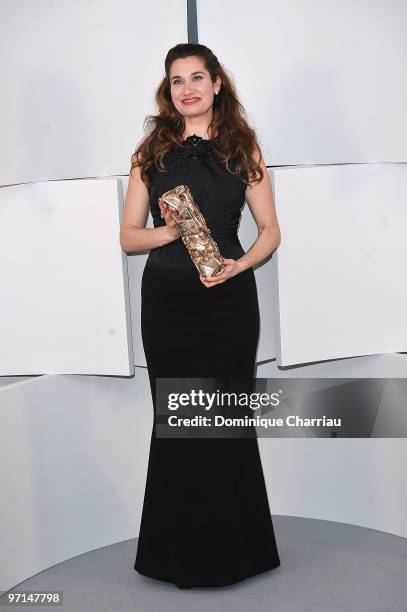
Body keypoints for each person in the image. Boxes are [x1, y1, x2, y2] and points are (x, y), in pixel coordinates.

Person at [120, 42, 281, 589]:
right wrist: (171, 230)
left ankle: (236, 554)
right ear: (169, 93)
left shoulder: (243, 149)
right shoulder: (149, 154)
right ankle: (175, 555)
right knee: (178, 425)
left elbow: (271, 232)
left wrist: (238, 267)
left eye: (197, 78)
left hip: (227, 304)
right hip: (167, 305)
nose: (186, 88)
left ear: (216, 85)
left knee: (225, 425)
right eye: (176, 81)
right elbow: (127, 237)